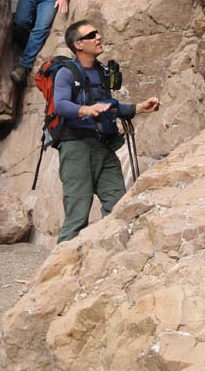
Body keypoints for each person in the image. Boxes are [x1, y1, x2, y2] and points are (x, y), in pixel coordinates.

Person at [54, 20, 160, 243]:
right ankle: (58, 271)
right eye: (91, 35)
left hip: (103, 145)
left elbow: (109, 105)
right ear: (78, 45)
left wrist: (138, 108)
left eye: (97, 32)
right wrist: (85, 110)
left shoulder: (101, 71)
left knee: (117, 205)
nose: (98, 37)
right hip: (76, 148)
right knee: (77, 214)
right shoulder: (66, 73)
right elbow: (61, 105)